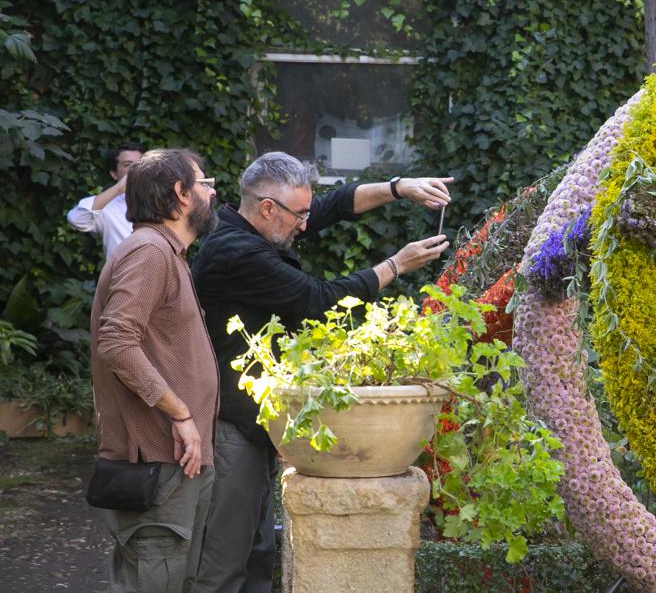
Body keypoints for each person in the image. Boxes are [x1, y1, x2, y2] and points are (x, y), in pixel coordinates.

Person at [191, 152, 452, 593]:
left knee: (257, 554)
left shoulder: (253, 226)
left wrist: (398, 187)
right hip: (230, 424)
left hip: (254, 420)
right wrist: (396, 266)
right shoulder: (235, 252)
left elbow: (331, 206)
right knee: (225, 562)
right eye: (299, 214)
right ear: (267, 207)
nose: (306, 225)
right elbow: (319, 300)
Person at [89, 148, 220, 592]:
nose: (212, 190)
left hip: (177, 465)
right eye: (204, 183)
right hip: (158, 463)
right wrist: (180, 414)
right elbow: (117, 342)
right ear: (181, 194)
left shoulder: (168, 252)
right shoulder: (149, 253)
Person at [67, 143, 145, 260]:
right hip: (124, 276)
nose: (135, 169)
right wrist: (119, 188)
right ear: (114, 174)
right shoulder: (106, 207)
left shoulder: (165, 201)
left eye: (141, 164)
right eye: (127, 165)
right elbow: (77, 219)